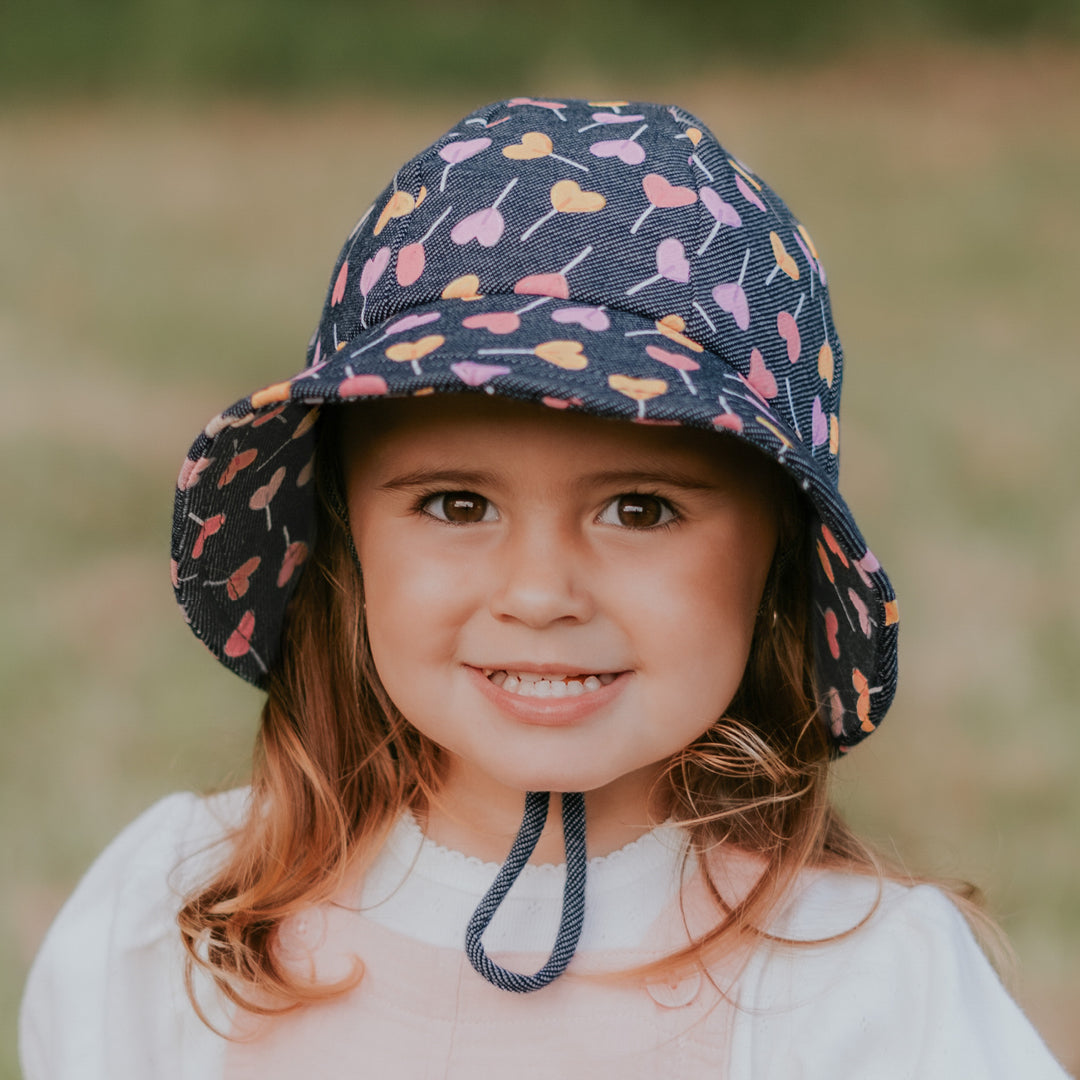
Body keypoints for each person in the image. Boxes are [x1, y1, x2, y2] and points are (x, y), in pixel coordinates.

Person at [19, 95, 1072, 1079]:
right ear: (346, 537)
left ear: (781, 561)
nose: (540, 594)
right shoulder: (184, 915)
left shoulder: (861, 987)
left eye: (642, 509)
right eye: (457, 505)